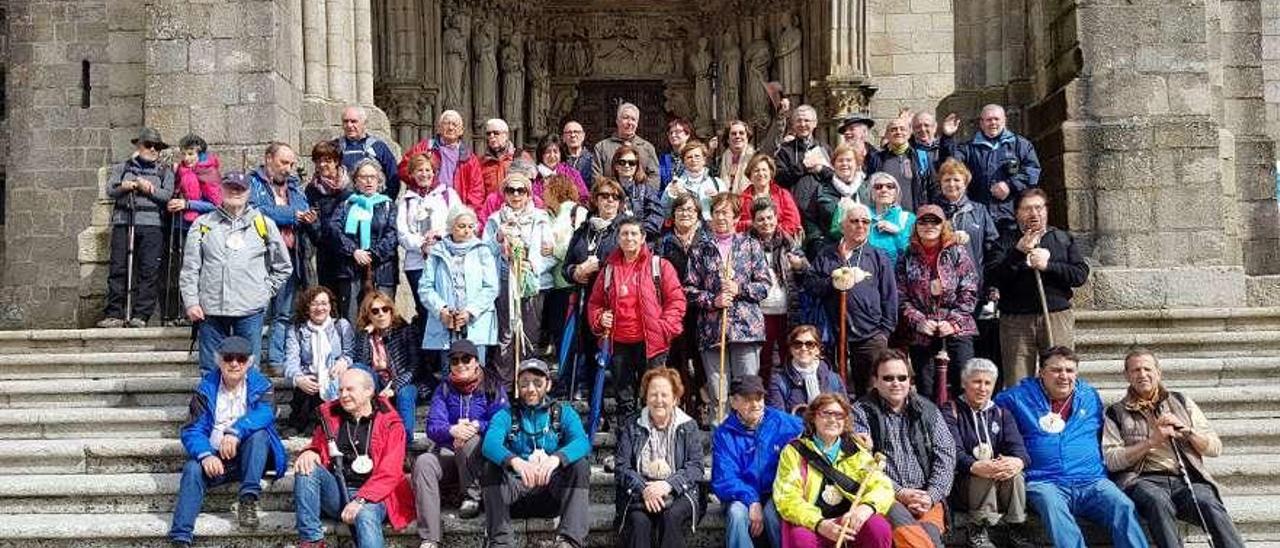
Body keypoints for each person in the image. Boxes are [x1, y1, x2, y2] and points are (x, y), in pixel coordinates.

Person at [994, 347, 1148, 548]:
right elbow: (988, 418)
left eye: (1070, 370)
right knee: (1054, 509)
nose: (1064, 376)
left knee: (1123, 506)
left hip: (1091, 480)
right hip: (1045, 481)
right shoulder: (1015, 398)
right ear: (1041, 372)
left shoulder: (1089, 396)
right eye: (1056, 370)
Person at [1103, 348, 1245, 548]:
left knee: (1208, 502)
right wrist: (1152, 442)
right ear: (1126, 375)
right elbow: (1111, 459)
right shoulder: (1115, 412)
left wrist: (1187, 432)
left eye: (1147, 369)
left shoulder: (1181, 401)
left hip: (1185, 479)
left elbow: (1215, 448)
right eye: (1135, 370)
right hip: (1142, 480)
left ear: (1158, 372)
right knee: (1157, 501)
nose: (1142, 374)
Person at [169, 336, 287, 546]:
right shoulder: (205, 389)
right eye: (228, 358)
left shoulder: (262, 385)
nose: (234, 363)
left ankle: (248, 498)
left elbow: (265, 413)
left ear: (249, 362)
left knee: (259, 435)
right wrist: (205, 454)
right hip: (217, 458)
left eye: (240, 359)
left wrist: (235, 432)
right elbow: (192, 429)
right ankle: (180, 536)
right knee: (192, 469)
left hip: (252, 458)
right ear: (219, 361)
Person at [180, 171, 292, 373]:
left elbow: (284, 266)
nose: (235, 192)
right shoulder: (203, 224)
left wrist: (264, 291)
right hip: (211, 309)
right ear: (221, 190)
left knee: (249, 368)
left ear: (248, 192)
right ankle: (211, 404)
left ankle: (248, 405)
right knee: (210, 369)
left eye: (240, 188)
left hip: (249, 310)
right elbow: (190, 269)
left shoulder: (264, 224)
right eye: (230, 187)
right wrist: (191, 302)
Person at [293, 368, 417, 548]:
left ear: (369, 391)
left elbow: (390, 471)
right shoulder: (331, 416)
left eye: (350, 390)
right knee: (306, 467)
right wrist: (310, 451)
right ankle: (312, 541)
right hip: (337, 491)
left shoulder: (391, 422)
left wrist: (361, 500)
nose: (344, 395)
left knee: (364, 514)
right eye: (341, 390)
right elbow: (318, 446)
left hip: (377, 495)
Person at [481, 358, 592, 548]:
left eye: (537, 383)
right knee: (490, 466)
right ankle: (500, 542)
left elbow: (582, 442)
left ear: (548, 385)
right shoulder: (505, 415)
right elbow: (489, 444)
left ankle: (569, 541)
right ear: (517, 387)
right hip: (514, 494)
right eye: (524, 384)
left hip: (551, 493)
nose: (530, 389)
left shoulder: (563, 413)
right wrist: (515, 461)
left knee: (580, 465)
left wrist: (557, 459)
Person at [587, 216, 688, 423]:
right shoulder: (608, 269)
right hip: (619, 344)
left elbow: (677, 300)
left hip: (651, 344)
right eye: (624, 234)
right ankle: (627, 445)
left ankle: (650, 444)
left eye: (634, 233)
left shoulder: (659, 266)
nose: (629, 238)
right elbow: (595, 303)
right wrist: (599, 318)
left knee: (651, 398)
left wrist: (664, 328)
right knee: (624, 400)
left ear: (643, 238)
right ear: (618, 238)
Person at [853, 350, 956, 547]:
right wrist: (899, 492)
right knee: (921, 540)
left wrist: (931, 495)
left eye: (902, 377)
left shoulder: (928, 409)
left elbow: (946, 455)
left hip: (926, 495)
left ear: (910, 380)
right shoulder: (861, 412)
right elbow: (861, 463)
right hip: (886, 495)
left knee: (928, 536)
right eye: (888, 378)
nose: (896, 383)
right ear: (875, 381)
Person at [989, 189, 1089, 387]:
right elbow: (993, 276)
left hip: (1055, 315)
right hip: (1016, 319)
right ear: (1017, 213)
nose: (1034, 213)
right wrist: (1018, 253)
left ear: (1046, 211)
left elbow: (1079, 275)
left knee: (1059, 374)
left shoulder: (1062, 238)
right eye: (1027, 209)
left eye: (1038, 208)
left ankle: (1058, 417)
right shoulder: (1006, 241)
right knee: (1018, 379)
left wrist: (1048, 266)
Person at [686, 193, 771, 422]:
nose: (720, 217)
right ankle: (722, 449)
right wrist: (712, 301)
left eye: (725, 212)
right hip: (712, 333)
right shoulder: (700, 250)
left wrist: (739, 288)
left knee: (748, 394)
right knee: (719, 396)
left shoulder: (750, 245)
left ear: (736, 217)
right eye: (716, 212)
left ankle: (749, 447)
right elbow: (689, 290)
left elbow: (764, 286)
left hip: (745, 330)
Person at [772, 393, 895, 548]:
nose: (832, 420)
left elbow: (882, 486)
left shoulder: (855, 450)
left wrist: (866, 508)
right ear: (813, 417)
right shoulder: (794, 451)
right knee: (800, 538)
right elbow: (787, 498)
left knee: (878, 527)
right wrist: (820, 524)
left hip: (848, 521)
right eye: (826, 414)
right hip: (814, 523)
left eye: (839, 415)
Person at [415, 340, 509, 542]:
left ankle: (472, 496)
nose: (461, 364)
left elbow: (502, 420)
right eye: (455, 361)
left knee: (469, 440)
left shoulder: (493, 385)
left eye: (466, 359)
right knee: (423, 462)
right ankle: (429, 538)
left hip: (482, 456)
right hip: (450, 452)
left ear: (476, 361)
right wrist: (452, 430)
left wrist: (476, 426)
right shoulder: (444, 389)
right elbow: (433, 427)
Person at [804, 203, 897, 396]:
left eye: (865, 221)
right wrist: (834, 281)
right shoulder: (827, 254)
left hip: (870, 336)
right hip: (833, 338)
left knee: (871, 393)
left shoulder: (878, 257)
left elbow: (890, 297)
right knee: (834, 393)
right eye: (854, 221)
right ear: (843, 225)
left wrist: (884, 332)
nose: (860, 225)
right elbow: (811, 285)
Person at [939, 358, 1032, 548]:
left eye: (987, 383)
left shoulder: (1002, 413)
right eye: (976, 382)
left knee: (1016, 474)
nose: (982, 388)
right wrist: (974, 465)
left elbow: (1020, 450)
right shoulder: (950, 411)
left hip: (998, 482)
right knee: (981, 474)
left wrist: (1016, 462)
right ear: (964, 383)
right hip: (965, 485)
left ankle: (1016, 526)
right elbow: (951, 450)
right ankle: (978, 528)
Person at [615, 368, 707, 548]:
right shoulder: (632, 425)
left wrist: (668, 485)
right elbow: (621, 467)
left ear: (675, 399)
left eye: (664, 395)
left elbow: (696, 467)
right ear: (646, 398)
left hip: (679, 490)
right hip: (640, 490)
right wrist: (644, 489)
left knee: (670, 515)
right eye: (653, 394)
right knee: (639, 521)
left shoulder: (688, 426)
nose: (659, 400)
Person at [711, 375, 804, 548]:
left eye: (759, 398)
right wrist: (752, 500)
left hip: (776, 491)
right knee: (737, 513)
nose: (755, 404)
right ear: (733, 402)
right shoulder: (724, 433)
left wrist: (849, 434)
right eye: (747, 399)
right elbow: (724, 478)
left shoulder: (781, 421)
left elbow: (816, 427)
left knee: (773, 512)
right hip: (741, 495)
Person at [897, 205, 978, 401]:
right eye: (923, 221)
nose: (929, 225)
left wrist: (953, 322)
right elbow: (900, 297)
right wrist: (918, 321)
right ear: (916, 226)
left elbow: (970, 289)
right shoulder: (907, 256)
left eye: (935, 221)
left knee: (964, 381)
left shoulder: (957, 252)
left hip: (957, 326)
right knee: (926, 387)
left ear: (944, 225)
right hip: (922, 330)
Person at [99, 127, 176, 328]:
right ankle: (115, 313)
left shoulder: (164, 171)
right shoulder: (122, 167)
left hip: (152, 225)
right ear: (139, 146)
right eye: (148, 145)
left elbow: (166, 196)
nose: (152, 149)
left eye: (157, 147)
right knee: (118, 268)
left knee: (149, 270)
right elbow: (110, 190)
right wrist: (126, 186)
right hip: (124, 222)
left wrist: (147, 189)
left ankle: (141, 315)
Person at [248, 142, 313, 372]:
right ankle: (251, 363)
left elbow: (304, 209)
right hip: (261, 257)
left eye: (292, 164)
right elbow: (256, 211)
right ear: (268, 159)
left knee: (284, 314)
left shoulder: (294, 187)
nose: (288, 168)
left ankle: (276, 360)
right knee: (257, 312)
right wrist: (292, 215)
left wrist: (307, 216)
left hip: (291, 256)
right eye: (284, 162)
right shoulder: (253, 183)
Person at [483, 173, 553, 387]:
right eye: (510, 190)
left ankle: (527, 382)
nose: (515, 195)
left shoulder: (540, 217)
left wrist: (532, 265)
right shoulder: (495, 219)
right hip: (505, 280)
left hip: (531, 281)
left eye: (520, 190)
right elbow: (484, 252)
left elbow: (550, 253)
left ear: (528, 193)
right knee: (506, 332)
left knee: (529, 331)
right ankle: (504, 383)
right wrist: (498, 239)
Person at [560, 179, 626, 399]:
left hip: (616, 302)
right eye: (604, 196)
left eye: (614, 197)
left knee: (616, 358)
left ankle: (616, 405)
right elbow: (565, 267)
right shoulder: (583, 230)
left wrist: (601, 266)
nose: (609, 200)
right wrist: (576, 271)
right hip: (586, 300)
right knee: (588, 352)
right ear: (595, 200)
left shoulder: (625, 229)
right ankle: (592, 404)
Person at [655, 192, 714, 415]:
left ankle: (701, 404)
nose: (685, 214)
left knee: (701, 359)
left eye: (690, 209)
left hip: (702, 309)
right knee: (676, 358)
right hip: (673, 310)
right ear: (673, 214)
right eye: (680, 209)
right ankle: (679, 403)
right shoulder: (664, 243)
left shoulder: (708, 240)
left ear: (698, 214)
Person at [940, 105, 1041, 232]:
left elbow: (1033, 171)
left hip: (1012, 219)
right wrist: (947, 138)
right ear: (981, 123)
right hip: (980, 219)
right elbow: (950, 164)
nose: (993, 123)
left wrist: (1010, 185)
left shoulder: (1021, 145)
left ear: (1004, 120)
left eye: (996, 119)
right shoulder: (969, 148)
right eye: (988, 120)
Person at [420, 206, 499, 364]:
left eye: (471, 226)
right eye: (461, 226)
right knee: (449, 371)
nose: (466, 231)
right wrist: (440, 309)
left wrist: (471, 311)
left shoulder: (482, 250)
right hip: (447, 322)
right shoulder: (437, 252)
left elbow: (491, 287)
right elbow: (425, 287)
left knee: (476, 369)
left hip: (475, 320)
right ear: (451, 227)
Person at [329, 159, 400, 321]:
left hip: (383, 271)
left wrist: (372, 255)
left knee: (383, 318)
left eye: (373, 177)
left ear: (379, 180)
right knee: (352, 319)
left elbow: (394, 233)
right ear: (355, 180)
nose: (368, 181)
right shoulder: (346, 205)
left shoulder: (389, 206)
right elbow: (334, 230)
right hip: (351, 270)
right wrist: (354, 251)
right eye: (363, 177)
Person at [397, 152, 460, 326]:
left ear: (434, 172)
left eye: (428, 170)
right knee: (424, 310)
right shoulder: (407, 200)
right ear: (412, 174)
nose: (424, 174)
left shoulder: (448, 195)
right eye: (419, 170)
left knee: (445, 307)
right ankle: (426, 352)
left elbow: (459, 222)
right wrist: (421, 245)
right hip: (417, 263)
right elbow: (402, 232)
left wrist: (439, 236)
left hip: (444, 260)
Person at [283, 286, 355, 435]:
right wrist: (298, 378)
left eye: (324, 303)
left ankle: (317, 423)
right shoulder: (296, 329)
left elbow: (350, 353)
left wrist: (343, 362)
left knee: (328, 382)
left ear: (330, 306)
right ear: (307, 307)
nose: (319, 308)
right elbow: (291, 360)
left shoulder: (341, 326)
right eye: (314, 303)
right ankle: (301, 422)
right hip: (309, 381)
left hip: (334, 379)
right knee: (308, 383)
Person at [750, 199, 808, 379]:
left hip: (786, 310)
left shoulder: (788, 242)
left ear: (776, 218)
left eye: (769, 218)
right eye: (760, 219)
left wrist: (799, 266)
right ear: (753, 222)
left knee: (788, 357)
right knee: (763, 360)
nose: (766, 223)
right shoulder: (746, 245)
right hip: (759, 312)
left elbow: (807, 270)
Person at [353, 291, 422, 440]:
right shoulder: (365, 337)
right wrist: (365, 335)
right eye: (375, 311)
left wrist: (393, 387)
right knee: (356, 370)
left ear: (391, 311)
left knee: (405, 393)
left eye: (385, 309)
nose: (381, 314)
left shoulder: (405, 331)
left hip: (406, 382)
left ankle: (405, 440)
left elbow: (415, 366)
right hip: (378, 383)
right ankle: (357, 432)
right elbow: (360, 366)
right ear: (368, 316)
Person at [399, 110, 485, 210]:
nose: (451, 127)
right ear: (439, 128)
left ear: (461, 130)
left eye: (455, 124)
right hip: (426, 203)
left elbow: (477, 190)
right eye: (446, 123)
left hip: (456, 208)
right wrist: (421, 182)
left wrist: (467, 212)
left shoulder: (469, 158)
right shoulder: (425, 147)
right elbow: (404, 169)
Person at [794, 143, 868, 257]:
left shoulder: (866, 189)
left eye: (849, 160)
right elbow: (810, 219)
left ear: (857, 164)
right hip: (830, 251)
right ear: (833, 165)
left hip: (864, 250)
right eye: (840, 160)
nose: (845, 164)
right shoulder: (822, 188)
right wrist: (818, 243)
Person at [305, 140, 354, 295]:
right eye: (318, 161)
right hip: (326, 256)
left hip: (349, 256)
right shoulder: (312, 189)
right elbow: (315, 234)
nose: (322, 165)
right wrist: (313, 224)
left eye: (327, 160)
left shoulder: (351, 186)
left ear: (337, 162)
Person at [767, 325, 847, 415]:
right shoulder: (778, 381)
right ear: (791, 349)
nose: (803, 348)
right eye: (798, 344)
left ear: (818, 349)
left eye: (810, 344)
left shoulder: (834, 379)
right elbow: (778, 420)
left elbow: (844, 414)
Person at [336, 105, 401, 200]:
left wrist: (384, 202)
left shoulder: (378, 147)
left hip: (372, 205)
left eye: (354, 121)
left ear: (364, 123)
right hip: (344, 205)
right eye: (346, 121)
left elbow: (393, 179)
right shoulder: (335, 147)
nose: (349, 125)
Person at [872, 116, 933, 213]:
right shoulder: (878, 159)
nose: (898, 132)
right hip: (885, 217)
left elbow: (932, 188)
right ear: (887, 135)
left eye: (902, 129)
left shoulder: (921, 156)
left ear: (909, 134)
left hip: (914, 217)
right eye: (893, 129)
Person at [736, 154, 802, 237]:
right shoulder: (741, 199)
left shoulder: (783, 194)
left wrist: (771, 231)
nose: (760, 173)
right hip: (749, 242)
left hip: (780, 242)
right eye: (756, 170)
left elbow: (793, 222)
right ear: (750, 175)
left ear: (770, 174)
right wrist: (753, 225)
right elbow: (736, 224)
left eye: (764, 170)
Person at [592, 102, 660, 183]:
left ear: (637, 124)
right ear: (617, 121)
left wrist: (644, 194)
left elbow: (654, 177)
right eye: (626, 118)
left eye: (633, 119)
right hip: (611, 194)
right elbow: (596, 178)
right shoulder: (601, 147)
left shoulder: (647, 148)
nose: (629, 123)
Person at [608, 145, 665, 239]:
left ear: (637, 166)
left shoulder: (646, 190)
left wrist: (636, 232)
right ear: (616, 166)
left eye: (632, 163)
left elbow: (656, 218)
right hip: (612, 241)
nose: (627, 166)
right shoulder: (607, 190)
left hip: (640, 242)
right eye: (622, 162)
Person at [662, 140, 726, 221]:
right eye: (689, 157)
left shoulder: (717, 183)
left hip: (711, 230)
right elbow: (664, 212)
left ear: (704, 160)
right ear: (683, 161)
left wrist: (717, 199)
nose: (693, 160)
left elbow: (727, 211)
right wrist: (671, 196)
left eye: (697, 156)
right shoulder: (675, 184)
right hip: (685, 230)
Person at [774, 105, 832, 189]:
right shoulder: (785, 150)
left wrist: (821, 169)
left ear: (815, 123)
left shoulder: (824, 148)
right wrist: (802, 166)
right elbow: (779, 179)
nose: (802, 124)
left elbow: (835, 177)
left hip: (821, 200)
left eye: (807, 120)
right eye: (799, 121)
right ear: (793, 124)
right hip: (793, 200)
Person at [866, 173, 914, 267]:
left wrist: (898, 232)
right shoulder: (864, 217)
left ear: (896, 192)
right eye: (878, 187)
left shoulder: (907, 218)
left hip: (899, 276)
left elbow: (912, 253)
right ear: (872, 193)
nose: (884, 190)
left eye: (890, 186)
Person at [477, 118, 516, 225]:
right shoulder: (481, 163)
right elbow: (478, 193)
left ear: (506, 135)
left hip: (516, 215)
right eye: (489, 134)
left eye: (496, 133)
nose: (492, 137)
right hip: (490, 216)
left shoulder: (520, 157)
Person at [532, 133, 590, 202]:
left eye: (555, 151)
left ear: (560, 154)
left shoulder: (572, 173)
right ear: (541, 154)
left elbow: (584, 197)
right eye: (548, 152)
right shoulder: (534, 175)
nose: (552, 156)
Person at [718, 120, 758, 192]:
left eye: (741, 133)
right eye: (734, 134)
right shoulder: (720, 161)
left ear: (747, 138)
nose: (737, 136)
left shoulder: (756, 159)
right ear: (728, 139)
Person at [659, 118, 695, 188]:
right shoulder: (663, 159)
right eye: (670, 133)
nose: (673, 135)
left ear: (687, 135)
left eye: (677, 132)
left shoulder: (694, 156)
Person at [562, 120, 595, 189]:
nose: (573, 135)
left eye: (576, 132)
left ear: (583, 136)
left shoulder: (593, 160)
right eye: (569, 132)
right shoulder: (560, 161)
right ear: (563, 138)